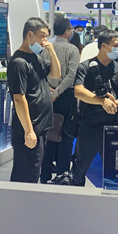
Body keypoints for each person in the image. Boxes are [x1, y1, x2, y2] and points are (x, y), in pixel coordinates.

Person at [71, 30, 118, 186]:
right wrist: (101, 101)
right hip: (89, 126)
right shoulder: (85, 67)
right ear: (104, 46)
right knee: (79, 169)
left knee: (115, 171)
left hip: (113, 126)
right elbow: (78, 91)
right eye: (116, 45)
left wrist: (115, 104)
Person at [8, 17, 61, 183]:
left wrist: (52, 53)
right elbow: (19, 98)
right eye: (42, 36)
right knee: (25, 174)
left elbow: (56, 74)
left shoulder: (37, 58)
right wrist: (29, 130)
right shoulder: (19, 62)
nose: (45, 41)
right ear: (30, 35)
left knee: (34, 171)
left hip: (41, 127)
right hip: (30, 128)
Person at [41, 18, 80, 184]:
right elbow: (71, 75)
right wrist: (57, 92)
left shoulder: (45, 47)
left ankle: (44, 174)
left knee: (48, 135)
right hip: (66, 97)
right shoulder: (73, 49)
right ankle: (62, 174)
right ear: (67, 31)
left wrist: (50, 91)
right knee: (66, 136)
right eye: (71, 29)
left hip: (47, 95)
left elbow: (41, 71)